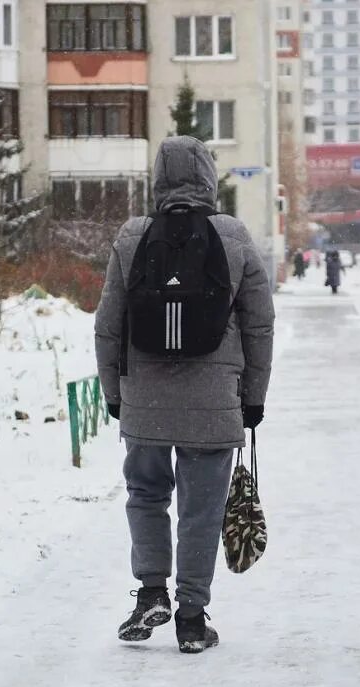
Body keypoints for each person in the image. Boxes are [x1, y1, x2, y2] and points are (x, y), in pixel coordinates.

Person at [95, 136, 275, 654]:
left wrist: (114, 394)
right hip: (215, 401)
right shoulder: (234, 236)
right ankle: (192, 619)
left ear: (158, 180)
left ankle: (152, 591)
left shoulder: (133, 237)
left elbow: (108, 325)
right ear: (208, 178)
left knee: (146, 495)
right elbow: (260, 325)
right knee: (202, 509)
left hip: (145, 400)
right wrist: (253, 399)